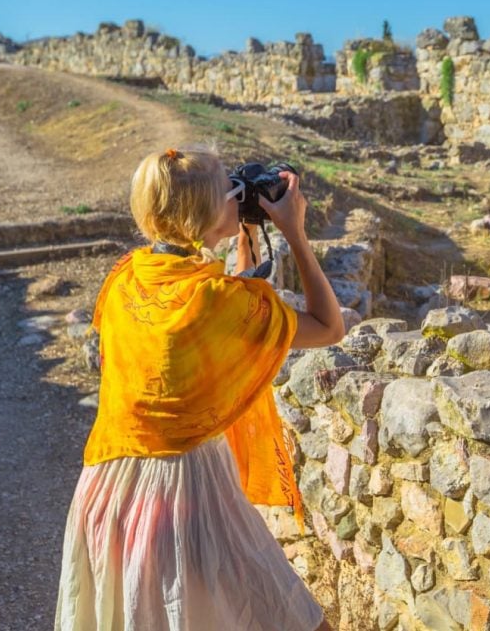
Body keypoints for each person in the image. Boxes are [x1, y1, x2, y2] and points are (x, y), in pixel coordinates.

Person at [55, 146, 342, 631]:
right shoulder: (218, 301)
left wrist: (245, 237)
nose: (239, 198)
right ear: (206, 212)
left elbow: (211, 311)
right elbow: (327, 326)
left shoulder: (127, 277)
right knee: (286, 617)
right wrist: (294, 232)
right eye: (232, 191)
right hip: (186, 494)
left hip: (107, 490)